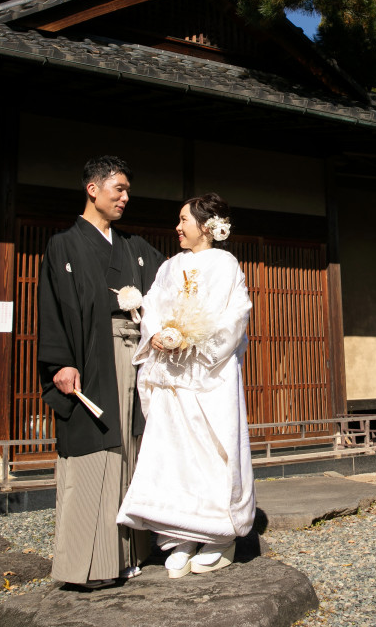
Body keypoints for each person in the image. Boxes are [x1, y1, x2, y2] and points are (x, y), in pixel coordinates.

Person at [37, 155, 165, 589]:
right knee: (94, 449)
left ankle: (130, 553)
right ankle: (88, 566)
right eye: (119, 189)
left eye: (127, 190)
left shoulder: (134, 246)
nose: (126, 198)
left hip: (136, 356)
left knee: (130, 446)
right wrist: (60, 362)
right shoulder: (63, 244)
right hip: (92, 357)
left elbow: (169, 283)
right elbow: (52, 307)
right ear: (93, 189)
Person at [117, 192, 255, 577]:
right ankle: (179, 535)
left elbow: (235, 315)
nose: (177, 228)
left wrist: (193, 338)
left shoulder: (226, 264)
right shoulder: (170, 265)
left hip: (210, 374)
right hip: (172, 374)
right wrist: (159, 333)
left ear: (206, 227)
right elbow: (155, 304)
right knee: (172, 448)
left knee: (212, 448)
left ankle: (218, 534)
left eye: (184, 220)